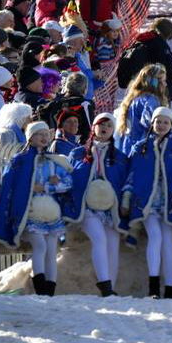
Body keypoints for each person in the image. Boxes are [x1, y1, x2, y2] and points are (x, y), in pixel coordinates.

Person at [0, 121, 74, 296]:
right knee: (40, 246)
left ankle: (50, 290)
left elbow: (68, 183)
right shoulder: (20, 161)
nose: (43, 137)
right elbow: (11, 185)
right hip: (30, 212)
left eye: (45, 134)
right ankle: (40, 287)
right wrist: (29, 188)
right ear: (30, 138)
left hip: (51, 214)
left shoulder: (54, 161)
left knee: (51, 250)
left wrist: (50, 186)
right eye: (38, 134)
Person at [120, 107, 172, 299]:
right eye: (158, 121)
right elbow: (133, 173)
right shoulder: (140, 147)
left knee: (167, 242)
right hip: (147, 201)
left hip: (169, 201)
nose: (161, 125)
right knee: (155, 236)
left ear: (171, 125)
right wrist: (127, 195)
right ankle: (153, 287)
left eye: (165, 122)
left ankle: (169, 288)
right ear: (152, 123)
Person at [68, 112, 128, 296]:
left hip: (110, 209)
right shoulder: (78, 153)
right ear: (93, 127)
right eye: (101, 124)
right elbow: (71, 178)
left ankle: (111, 288)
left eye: (109, 125)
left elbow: (124, 182)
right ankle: (105, 285)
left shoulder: (119, 157)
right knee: (99, 238)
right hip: (87, 208)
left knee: (113, 243)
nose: (105, 128)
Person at [117, 17, 172, 101]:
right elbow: (168, 65)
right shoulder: (159, 43)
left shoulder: (141, 40)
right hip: (153, 89)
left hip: (135, 85)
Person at [115, 63, 169, 156]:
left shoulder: (135, 98)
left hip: (127, 146)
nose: (165, 84)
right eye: (163, 81)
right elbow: (150, 126)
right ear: (155, 83)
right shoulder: (151, 101)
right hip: (141, 149)